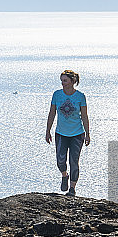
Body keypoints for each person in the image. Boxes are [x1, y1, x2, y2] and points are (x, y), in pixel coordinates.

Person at [46, 69, 90, 197]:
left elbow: (85, 116)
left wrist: (87, 133)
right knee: (60, 161)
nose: (62, 83)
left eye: (65, 80)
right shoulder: (57, 95)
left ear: (73, 81)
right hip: (61, 133)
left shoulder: (80, 96)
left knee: (74, 161)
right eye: (61, 81)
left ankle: (72, 188)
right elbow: (52, 113)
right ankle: (64, 175)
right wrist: (47, 130)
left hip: (77, 134)